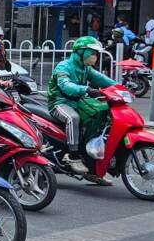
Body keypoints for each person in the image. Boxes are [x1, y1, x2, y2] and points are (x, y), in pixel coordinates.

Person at [47, 36, 116, 176]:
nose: (95, 56)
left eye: (96, 53)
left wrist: (119, 87)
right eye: (93, 52)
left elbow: (102, 79)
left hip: (78, 102)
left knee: (101, 115)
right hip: (59, 103)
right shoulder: (64, 66)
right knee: (73, 118)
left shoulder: (86, 68)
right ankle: (73, 155)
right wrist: (86, 89)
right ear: (81, 52)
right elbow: (66, 86)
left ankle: (91, 163)